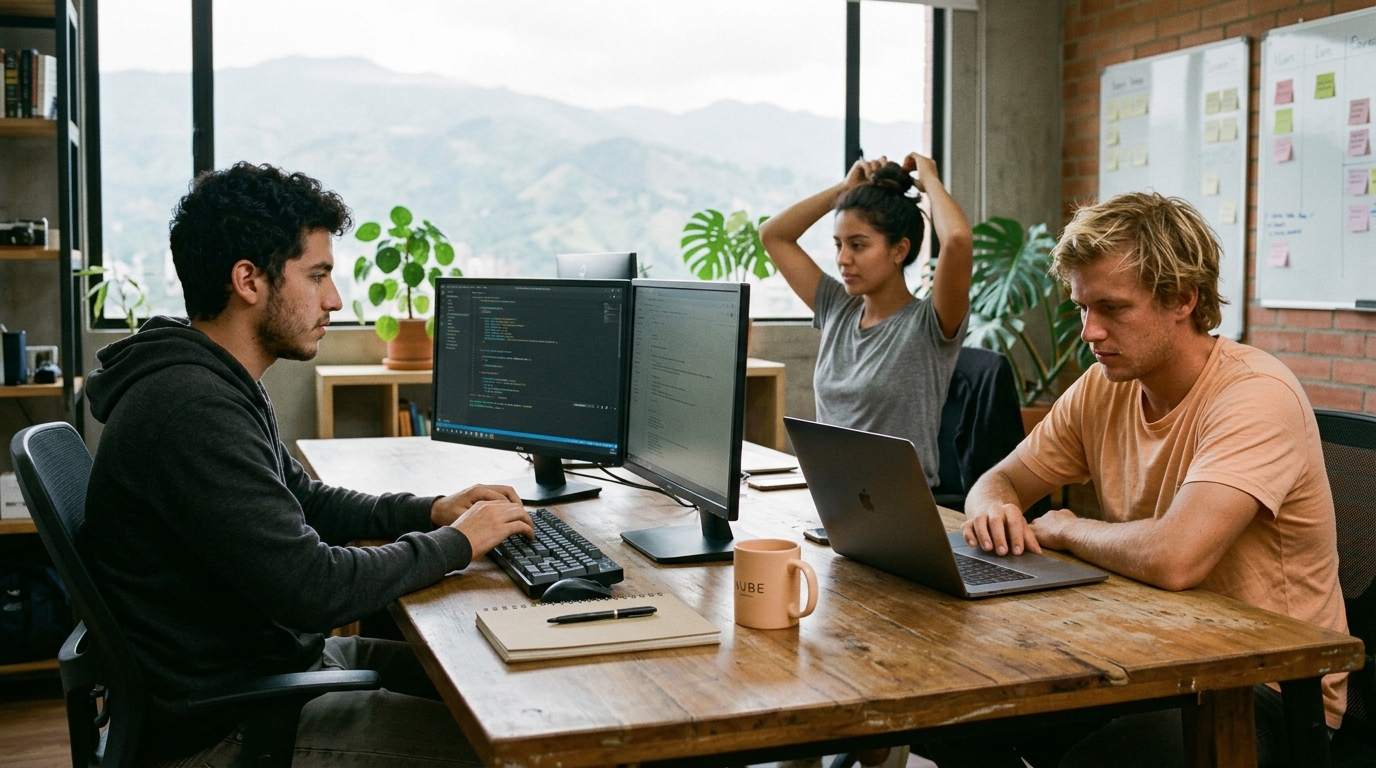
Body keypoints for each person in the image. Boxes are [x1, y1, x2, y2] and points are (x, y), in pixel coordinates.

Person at [81, 162, 534, 766]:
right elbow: (312, 588)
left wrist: (432, 511)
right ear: (248, 280)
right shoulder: (192, 408)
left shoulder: (213, 381)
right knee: (512, 748)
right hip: (231, 722)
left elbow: (307, 501)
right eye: (317, 275)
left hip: (272, 669)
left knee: (499, 684)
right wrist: (457, 543)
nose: (335, 299)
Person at [951, 192, 1348, 768]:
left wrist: (1066, 528)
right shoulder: (1103, 385)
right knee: (962, 722)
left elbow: (1174, 558)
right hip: (1151, 655)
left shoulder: (1256, 395)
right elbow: (1000, 480)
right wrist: (991, 505)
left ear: (1183, 299)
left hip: (1267, 689)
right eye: (1083, 308)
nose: (1090, 331)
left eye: (1112, 308)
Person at [760, 153, 973, 488]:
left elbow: (958, 241)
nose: (843, 259)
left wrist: (930, 180)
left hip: (900, 506)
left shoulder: (928, 324)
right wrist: (844, 189)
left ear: (899, 250)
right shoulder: (837, 308)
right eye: (839, 245)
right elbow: (773, 235)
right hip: (829, 497)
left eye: (858, 245)